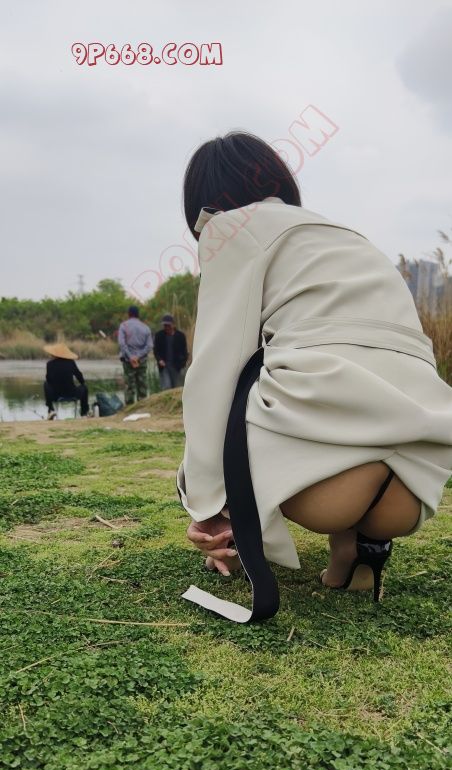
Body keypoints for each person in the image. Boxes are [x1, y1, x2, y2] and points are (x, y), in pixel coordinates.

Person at [175, 130, 452, 623]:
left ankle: (235, 539)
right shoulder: (346, 236)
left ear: (205, 206)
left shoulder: (230, 228)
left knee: (240, 388)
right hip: (413, 481)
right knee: (316, 364)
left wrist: (207, 504)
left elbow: (214, 371)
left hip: (329, 485)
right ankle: (358, 549)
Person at [118, 305, 153, 405]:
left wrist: (131, 357)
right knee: (142, 385)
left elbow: (122, 344)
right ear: (138, 315)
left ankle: (129, 407)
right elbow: (149, 346)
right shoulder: (145, 327)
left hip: (128, 361)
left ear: (129, 314)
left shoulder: (124, 326)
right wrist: (138, 356)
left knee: (129, 385)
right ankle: (142, 405)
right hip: (141, 361)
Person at [43, 343, 89, 418]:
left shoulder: (49, 364)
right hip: (72, 393)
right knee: (84, 388)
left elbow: (48, 380)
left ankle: (50, 409)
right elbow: (79, 376)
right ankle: (84, 413)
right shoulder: (71, 363)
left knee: (46, 384)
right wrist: (82, 383)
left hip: (56, 395)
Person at [153, 313, 188, 389]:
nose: (167, 327)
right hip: (164, 366)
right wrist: (159, 360)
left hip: (177, 367)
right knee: (166, 386)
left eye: (168, 325)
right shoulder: (159, 335)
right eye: (165, 325)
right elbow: (156, 351)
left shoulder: (181, 336)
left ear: (173, 324)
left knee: (177, 387)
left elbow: (184, 351)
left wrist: (183, 363)